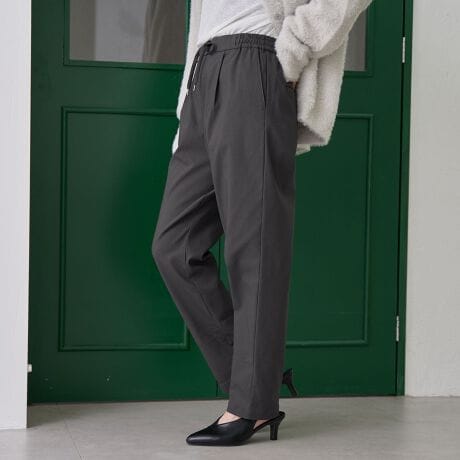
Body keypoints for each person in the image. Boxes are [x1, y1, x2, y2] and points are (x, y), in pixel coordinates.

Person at [152, 0, 373, 446]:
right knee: (174, 247)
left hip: (255, 62)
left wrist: (293, 48)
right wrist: (189, 108)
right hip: (204, 75)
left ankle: (252, 404)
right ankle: (258, 381)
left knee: (254, 248)